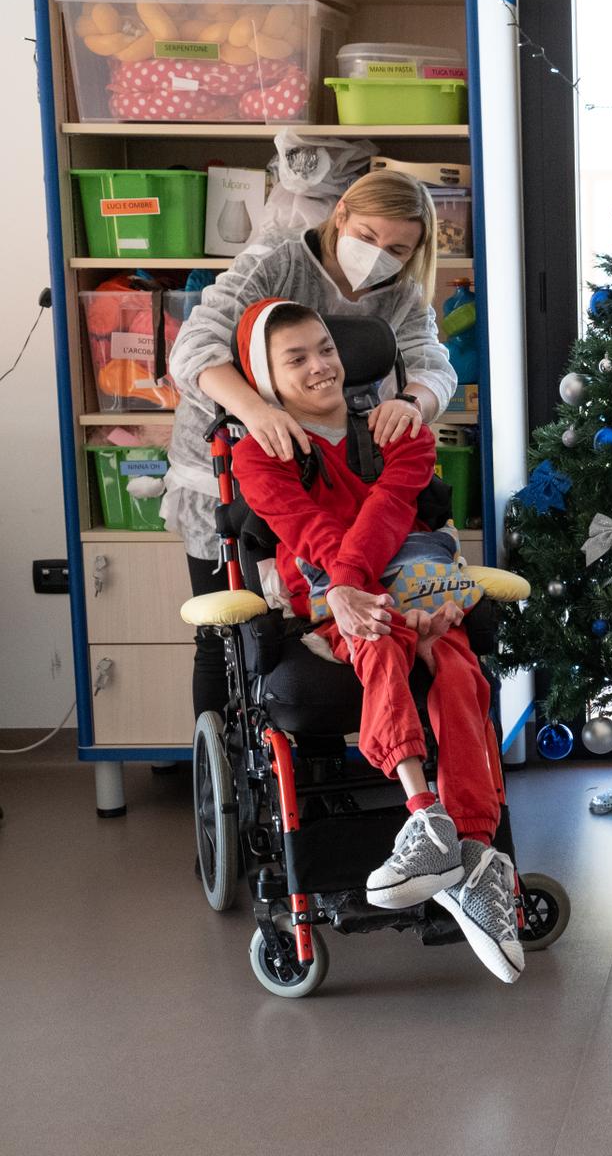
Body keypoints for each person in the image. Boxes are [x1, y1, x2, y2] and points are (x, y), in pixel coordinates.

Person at [226, 301, 520, 982]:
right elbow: (307, 532)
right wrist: (351, 593)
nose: (320, 365)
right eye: (295, 358)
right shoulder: (258, 452)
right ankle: (431, 822)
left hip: (389, 582)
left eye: (325, 348)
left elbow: (391, 514)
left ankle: (465, 848)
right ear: (263, 375)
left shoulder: (400, 431)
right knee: (383, 639)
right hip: (335, 598)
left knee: (456, 666)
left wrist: (384, 592)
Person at [164, 169, 457, 735]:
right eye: (369, 238)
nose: (380, 257)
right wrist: (256, 411)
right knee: (228, 634)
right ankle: (220, 755)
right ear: (341, 212)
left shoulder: (400, 292)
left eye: (399, 248)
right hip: (235, 465)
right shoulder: (274, 264)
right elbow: (193, 347)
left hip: (339, 468)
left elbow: (430, 363)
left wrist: (413, 404)